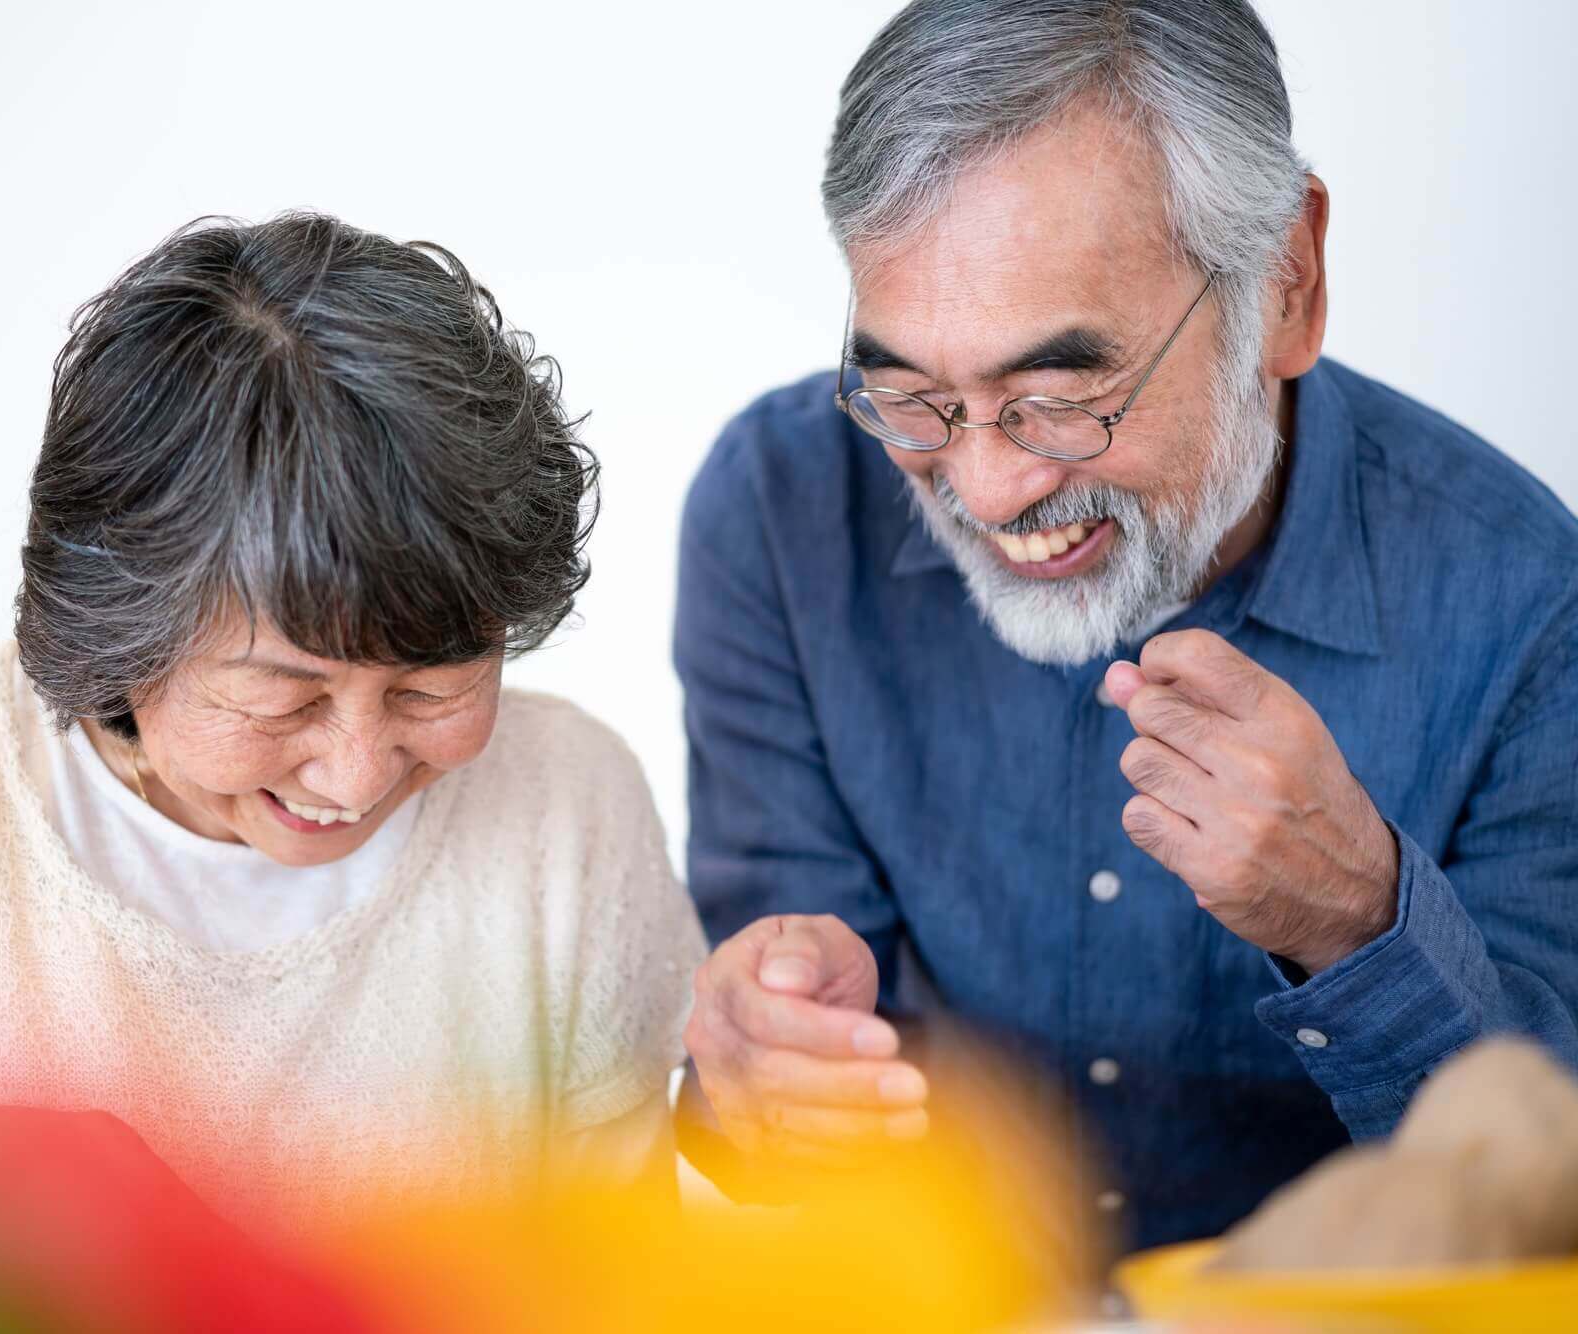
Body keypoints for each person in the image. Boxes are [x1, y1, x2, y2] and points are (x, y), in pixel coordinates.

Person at [0, 213, 707, 1330]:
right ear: (121, 634)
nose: (358, 764)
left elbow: (622, 1278)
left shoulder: (565, 805)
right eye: (285, 692)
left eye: (431, 685)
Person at [675, 0, 1578, 1252]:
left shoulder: (1527, 600)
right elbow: (786, 1130)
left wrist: (1357, 923)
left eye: (1056, 399)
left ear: (1285, 287)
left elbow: (1550, 1211)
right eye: (910, 396)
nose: (986, 491)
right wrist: (755, 1068)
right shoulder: (777, 512)